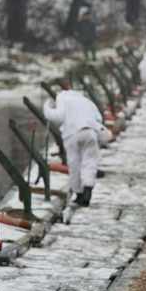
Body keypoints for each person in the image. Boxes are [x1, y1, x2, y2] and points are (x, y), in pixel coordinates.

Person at [44, 78, 106, 206]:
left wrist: (47, 107)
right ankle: (88, 189)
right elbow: (98, 118)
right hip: (89, 132)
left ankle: (79, 194)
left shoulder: (62, 98)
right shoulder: (85, 100)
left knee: (75, 164)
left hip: (72, 134)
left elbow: (58, 116)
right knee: (90, 162)